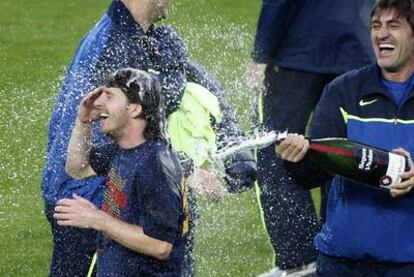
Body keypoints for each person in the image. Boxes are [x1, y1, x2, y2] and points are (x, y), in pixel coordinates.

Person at [42, 0, 256, 276]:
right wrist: (186, 171)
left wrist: (237, 150)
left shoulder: (132, 36)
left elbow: (193, 76)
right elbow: (131, 138)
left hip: (88, 189)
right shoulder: (116, 45)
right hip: (89, 197)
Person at [276, 0, 414, 275]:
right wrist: (297, 158)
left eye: (393, 26)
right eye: (376, 26)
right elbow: (312, 176)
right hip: (342, 264)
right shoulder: (344, 91)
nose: (381, 34)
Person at [246, 0, 375, 275]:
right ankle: (336, 255)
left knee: (276, 149)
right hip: (358, 45)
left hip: (299, 48)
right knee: (343, 156)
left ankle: (300, 261)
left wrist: (262, 51)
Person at [53, 68, 187, 276]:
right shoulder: (124, 149)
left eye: (109, 96)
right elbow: (77, 168)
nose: (99, 103)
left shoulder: (155, 166)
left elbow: (161, 245)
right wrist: (83, 121)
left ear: (134, 109)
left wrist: (97, 218)